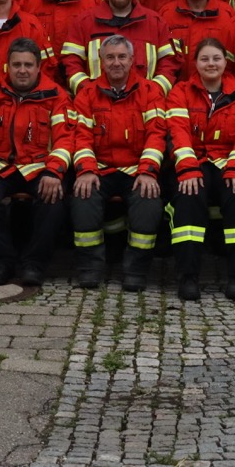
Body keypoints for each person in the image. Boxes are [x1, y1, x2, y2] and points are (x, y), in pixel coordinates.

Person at [0, 38, 74, 288]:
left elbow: (65, 139)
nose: (22, 70)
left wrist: (54, 171)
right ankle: (1, 262)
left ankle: (34, 264)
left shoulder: (56, 96)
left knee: (53, 198)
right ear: (7, 67)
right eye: (17, 64)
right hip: (1, 166)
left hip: (41, 167)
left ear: (39, 67)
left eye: (28, 64)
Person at [69, 35, 168, 291]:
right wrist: (87, 171)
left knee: (148, 202)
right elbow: (80, 137)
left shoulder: (150, 92)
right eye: (110, 57)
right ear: (101, 61)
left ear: (133, 60)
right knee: (83, 196)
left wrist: (147, 172)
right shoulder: (87, 94)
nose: (116, 63)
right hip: (99, 168)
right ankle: (90, 268)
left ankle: (136, 269)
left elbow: (157, 134)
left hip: (137, 169)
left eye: (122, 57)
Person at [166, 37, 235, 301]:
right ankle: (187, 277)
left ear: (225, 62)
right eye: (205, 58)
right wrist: (187, 169)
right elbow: (177, 132)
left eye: (216, 58)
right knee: (188, 198)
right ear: (195, 63)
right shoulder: (180, 92)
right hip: (193, 162)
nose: (211, 64)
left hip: (229, 162)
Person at [61, 0, 179, 96]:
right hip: (98, 105)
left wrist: (152, 92)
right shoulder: (84, 22)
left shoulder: (155, 22)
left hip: (144, 104)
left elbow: (169, 64)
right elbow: (71, 64)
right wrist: (89, 92)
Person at [158, 0, 235, 83]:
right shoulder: (166, 14)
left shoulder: (227, 14)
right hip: (177, 91)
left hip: (217, 91)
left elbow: (233, 61)